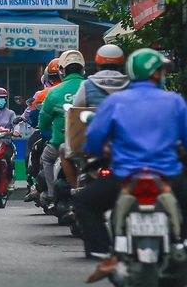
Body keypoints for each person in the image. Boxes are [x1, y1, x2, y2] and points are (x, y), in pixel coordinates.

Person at [74, 48, 187, 282]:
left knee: (84, 203)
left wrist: (101, 149)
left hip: (125, 176)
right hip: (167, 175)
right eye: (162, 70)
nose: (163, 74)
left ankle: (106, 253)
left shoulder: (115, 101)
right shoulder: (174, 101)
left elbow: (93, 142)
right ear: (154, 74)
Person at [37, 49, 87, 209]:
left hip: (61, 143)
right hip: (90, 143)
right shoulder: (91, 87)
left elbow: (43, 122)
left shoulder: (54, 93)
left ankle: (51, 194)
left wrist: (47, 130)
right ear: (82, 69)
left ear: (62, 71)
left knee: (47, 158)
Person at [23, 58, 62, 201]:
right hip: (78, 138)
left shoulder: (45, 93)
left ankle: (38, 184)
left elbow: (34, 117)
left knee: (40, 153)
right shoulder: (83, 88)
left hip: (53, 138)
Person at [73, 43, 129, 107]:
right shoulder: (130, 85)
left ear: (98, 66)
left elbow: (75, 109)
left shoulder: (87, 85)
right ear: (121, 66)